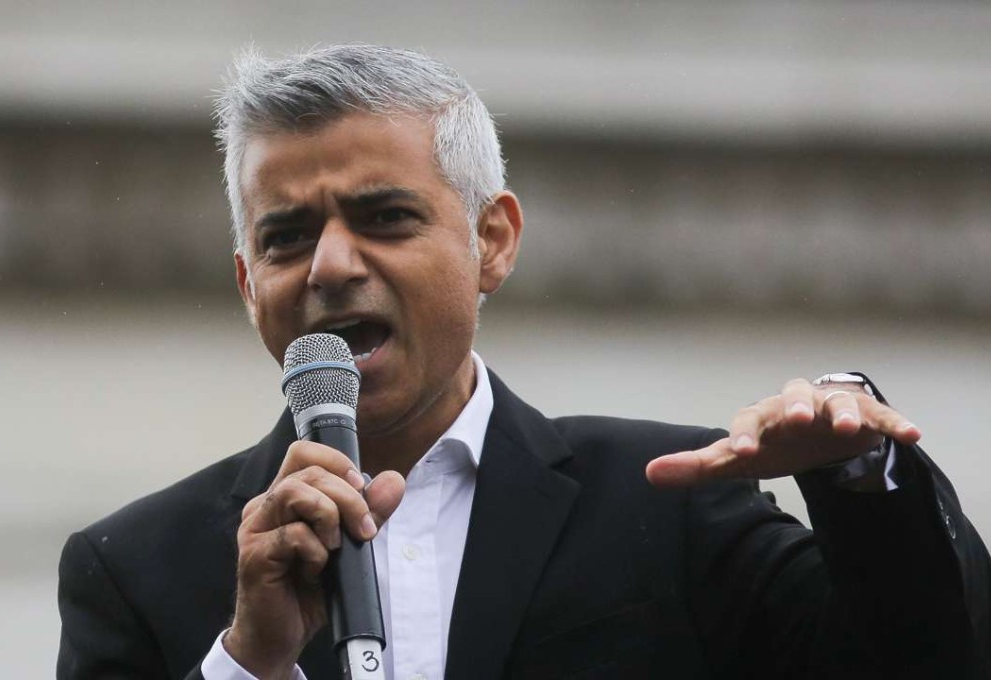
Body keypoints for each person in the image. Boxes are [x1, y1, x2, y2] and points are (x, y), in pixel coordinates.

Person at [57, 44, 991, 679]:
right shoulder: (135, 566)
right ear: (246, 283)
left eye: (385, 217)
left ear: (492, 241)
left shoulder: (669, 505)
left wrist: (866, 478)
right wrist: (249, 664)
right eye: (287, 236)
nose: (332, 266)